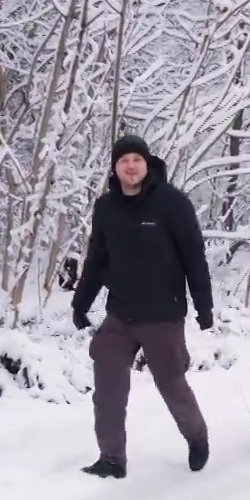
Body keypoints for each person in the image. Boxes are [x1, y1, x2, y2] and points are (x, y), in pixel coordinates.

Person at [70, 134, 214, 479]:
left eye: (137, 159)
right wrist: (81, 302)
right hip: (120, 313)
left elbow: (194, 256)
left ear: (147, 164)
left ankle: (197, 438)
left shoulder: (171, 203)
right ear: (115, 168)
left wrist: (203, 307)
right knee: (108, 388)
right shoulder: (106, 207)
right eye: (123, 161)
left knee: (172, 384)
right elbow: (97, 257)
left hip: (163, 314)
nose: (131, 166)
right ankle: (112, 459)